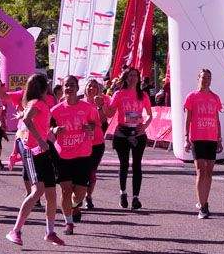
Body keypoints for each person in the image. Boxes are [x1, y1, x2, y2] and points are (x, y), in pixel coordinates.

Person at [7, 74, 63, 247]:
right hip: (33, 151)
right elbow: (27, 119)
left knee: (51, 194)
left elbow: (30, 120)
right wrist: (39, 139)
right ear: (43, 88)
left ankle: (50, 232)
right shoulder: (37, 103)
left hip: (42, 150)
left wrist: (49, 135)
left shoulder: (40, 103)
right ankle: (15, 230)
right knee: (37, 191)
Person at [50, 76, 100, 229]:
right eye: (66, 85)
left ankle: (73, 206)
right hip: (63, 155)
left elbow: (95, 123)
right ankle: (68, 222)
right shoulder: (55, 110)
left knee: (80, 193)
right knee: (65, 190)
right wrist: (54, 129)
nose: (69, 88)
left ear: (78, 88)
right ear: (63, 89)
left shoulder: (87, 108)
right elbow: (47, 128)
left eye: (72, 85)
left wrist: (90, 127)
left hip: (83, 154)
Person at [183, 68, 224, 219]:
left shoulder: (215, 98)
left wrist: (219, 139)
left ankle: (204, 201)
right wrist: (186, 137)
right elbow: (188, 118)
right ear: (198, 78)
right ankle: (202, 206)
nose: (205, 80)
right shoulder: (192, 97)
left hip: (212, 138)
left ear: (211, 80)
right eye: (203, 77)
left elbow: (217, 119)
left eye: (208, 77)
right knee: (201, 170)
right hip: (197, 138)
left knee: (209, 172)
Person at [110, 68, 152, 211]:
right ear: (125, 78)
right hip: (122, 132)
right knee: (124, 164)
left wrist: (144, 126)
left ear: (139, 79)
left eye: (136, 75)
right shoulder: (119, 94)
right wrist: (102, 103)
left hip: (138, 132)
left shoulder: (143, 95)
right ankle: (123, 193)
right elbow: (110, 112)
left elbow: (150, 115)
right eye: (130, 76)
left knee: (137, 165)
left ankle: (136, 197)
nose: (133, 78)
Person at [83, 79, 111, 210]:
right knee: (80, 172)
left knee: (92, 172)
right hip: (80, 142)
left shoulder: (101, 102)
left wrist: (100, 106)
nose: (91, 89)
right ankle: (77, 196)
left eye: (94, 87)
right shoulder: (78, 102)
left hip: (97, 142)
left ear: (98, 90)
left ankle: (88, 197)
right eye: (89, 86)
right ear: (85, 88)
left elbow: (103, 120)